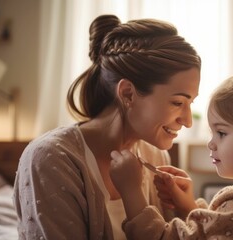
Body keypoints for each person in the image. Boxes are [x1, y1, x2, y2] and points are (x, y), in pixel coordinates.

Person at [13, 14, 201, 240]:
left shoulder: (156, 156)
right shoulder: (51, 159)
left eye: (190, 104)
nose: (188, 121)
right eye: (178, 103)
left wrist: (187, 210)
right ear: (127, 93)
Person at [110, 49, 233, 240]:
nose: (211, 144)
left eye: (221, 133)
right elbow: (216, 233)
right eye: (212, 133)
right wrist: (190, 206)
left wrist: (131, 191)